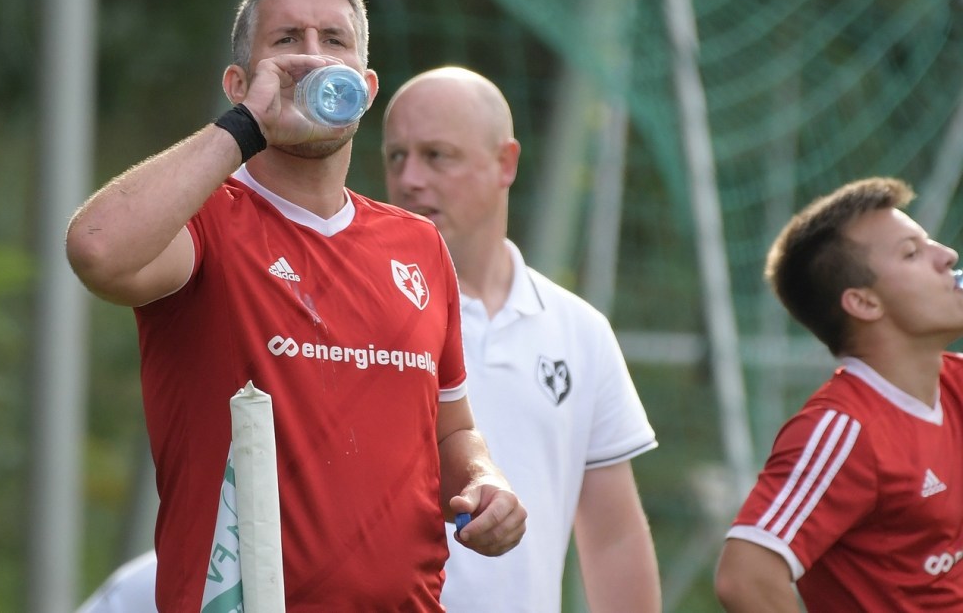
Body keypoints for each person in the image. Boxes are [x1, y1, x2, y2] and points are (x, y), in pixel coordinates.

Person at [65, 0, 526, 612]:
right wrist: (245, 129)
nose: (312, 59)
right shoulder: (207, 222)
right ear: (239, 83)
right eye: (287, 41)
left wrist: (485, 479)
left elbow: (452, 431)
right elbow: (97, 249)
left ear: (365, 86)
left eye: (333, 40)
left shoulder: (417, 246)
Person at [381, 66, 661, 612]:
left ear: (505, 162)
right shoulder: (354, 314)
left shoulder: (580, 330)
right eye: (396, 156)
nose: (410, 178)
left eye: (437, 155)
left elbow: (613, 538)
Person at [714, 177, 963, 611]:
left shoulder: (954, 382)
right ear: (864, 303)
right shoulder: (845, 429)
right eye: (911, 253)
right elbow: (746, 577)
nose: (948, 256)